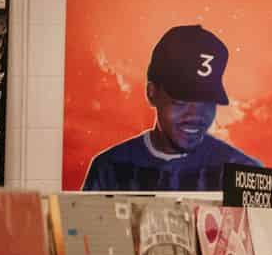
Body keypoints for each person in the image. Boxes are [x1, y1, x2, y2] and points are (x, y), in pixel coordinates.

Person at [82, 24, 261, 191]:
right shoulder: (110, 169)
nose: (196, 115)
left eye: (207, 101)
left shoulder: (243, 172)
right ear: (152, 93)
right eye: (181, 100)